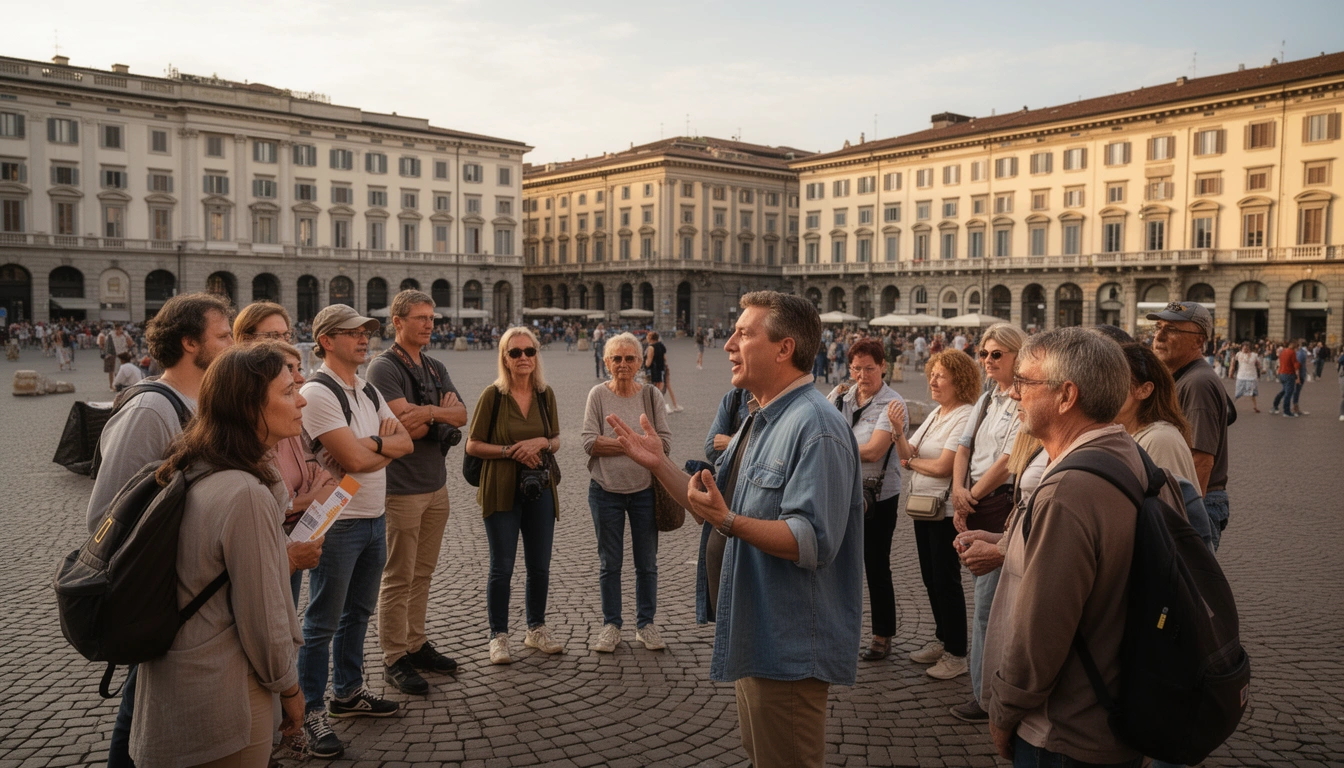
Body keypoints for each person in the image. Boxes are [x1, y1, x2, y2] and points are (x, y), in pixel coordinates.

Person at [608, 290, 863, 768]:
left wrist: (728, 521)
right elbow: (708, 505)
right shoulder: (757, 418)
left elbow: (809, 540)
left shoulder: (816, 427)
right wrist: (658, 463)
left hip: (788, 645)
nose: (728, 344)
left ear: (784, 348)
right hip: (754, 629)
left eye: (743, 334)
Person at [984, 327, 1182, 768]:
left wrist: (1004, 710)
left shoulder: (1067, 491)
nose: (1014, 394)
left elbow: (1041, 631)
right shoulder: (1138, 460)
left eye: (1025, 382)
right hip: (1120, 716)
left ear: (1066, 396)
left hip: (1064, 731)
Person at [130, 343, 306, 767]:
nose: (301, 399)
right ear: (248, 407)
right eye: (287, 392)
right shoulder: (244, 493)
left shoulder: (195, 464)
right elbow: (263, 615)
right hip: (226, 697)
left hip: (178, 685)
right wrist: (290, 689)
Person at [89, 292, 235, 768]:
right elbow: (108, 514)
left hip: (197, 586)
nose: (233, 344)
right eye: (223, 336)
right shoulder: (151, 410)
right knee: (142, 705)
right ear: (190, 343)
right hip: (164, 587)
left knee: (160, 702)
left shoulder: (206, 401)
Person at [298, 304, 413, 759]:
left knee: (359, 612)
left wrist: (373, 445)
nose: (365, 338)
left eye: (366, 331)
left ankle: (347, 692)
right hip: (338, 523)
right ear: (326, 340)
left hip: (374, 516)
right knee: (321, 622)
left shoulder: (366, 387)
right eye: (353, 332)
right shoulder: (317, 392)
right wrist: (380, 447)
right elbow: (354, 461)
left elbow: (405, 442)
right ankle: (309, 710)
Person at [366, 290, 468, 695]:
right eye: (421, 318)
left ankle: (416, 642)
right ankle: (394, 656)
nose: (429, 324)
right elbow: (400, 425)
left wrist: (425, 412)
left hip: (436, 485)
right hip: (402, 488)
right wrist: (436, 414)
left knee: (423, 572)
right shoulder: (383, 367)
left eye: (432, 318)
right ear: (398, 322)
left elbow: (460, 415)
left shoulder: (435, 365)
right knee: (398, 575)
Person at [465, 326, 565, 665]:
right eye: (515, 352)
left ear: (537, 355)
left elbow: (556, 439)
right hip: (501, 489)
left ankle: (536, 628)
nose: (524, 358)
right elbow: (473, 445)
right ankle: (498, 636)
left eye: (530, 351)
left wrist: (541, 443)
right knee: (502, 566)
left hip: (540, 489)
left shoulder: (545, 394)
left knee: (539, 566)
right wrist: (510, 450)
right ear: (505, 359)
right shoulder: (492, 396)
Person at [947, 323, 1025, 722]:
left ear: (1017, 356)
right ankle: (987, 688)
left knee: (987, 608)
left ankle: (985, 696)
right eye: (984, 354)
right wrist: (958, 490)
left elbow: (1009, 461)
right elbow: (963, 445)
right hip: (974, 499)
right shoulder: (987, 397)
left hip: (997, 503)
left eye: (997, 354)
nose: (988, 361)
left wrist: (970, 496)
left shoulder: (1022, 400)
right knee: (986, 600)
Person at [887, 349, 979, 680]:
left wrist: (913, 462)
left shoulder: (964, 415)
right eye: (932, 375)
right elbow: (906, 453)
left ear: (960, 380)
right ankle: (943, 638)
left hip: (945, 509)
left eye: (941, 376)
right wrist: (898, 430)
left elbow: (943, 467)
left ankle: (957, 654)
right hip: (923, 505)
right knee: (930, 577)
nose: (933, 381)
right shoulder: (937, 413)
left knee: (946, 580)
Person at [234, 302, 332, 606]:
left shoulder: (288, 417)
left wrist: (305, 498)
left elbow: (317, 472)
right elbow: (255, 502)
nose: (280, 343)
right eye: (271, 337)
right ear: (244, 340)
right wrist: (305, 500)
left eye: (285, 335)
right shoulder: (244, 424)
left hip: (294, 536)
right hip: (261, 549)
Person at [581, 332, 673, 653]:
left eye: (629, 358)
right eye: (616, 358)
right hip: (605, 490)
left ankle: (646, 624)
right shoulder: (597, 394)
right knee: (610, 563)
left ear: (639, 362)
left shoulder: (651, 395)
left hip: (645, 491)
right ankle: (611, 625)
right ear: (606, 362)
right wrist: (634, 445)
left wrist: (620, 443)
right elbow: (589, 442)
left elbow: (665, 443)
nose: (623, 364)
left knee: (647, 563)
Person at [827, 338, 905, 663]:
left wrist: (832, 446)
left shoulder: (893, 403)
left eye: (869, 369)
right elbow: (817, 425)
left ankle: (882, 635)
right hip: (842, 490)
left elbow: (874, 451)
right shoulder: (841, 395)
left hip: (878, 497)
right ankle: (837, 631)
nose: (862, 376)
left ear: (883, 366)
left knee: (876, 564)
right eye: (857, 369)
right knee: (836, 562)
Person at [1148, 301, 1231, 550]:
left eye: (1172, 329)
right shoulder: (1183, 377)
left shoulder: (1197, 383)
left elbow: (1201, 461)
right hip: (1190, 498)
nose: (1159, 336)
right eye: (1158, 327)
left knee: (1190, 572)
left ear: (1199, 341)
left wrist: (1184, 519)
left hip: (1197, 500)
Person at [645, 331, 682, 412]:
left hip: (655, 371)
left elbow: (648, 363)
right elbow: (665, 358)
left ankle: (662, 407)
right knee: (667, 386)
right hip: (663, 369)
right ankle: (675, 405)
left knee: (657, 390)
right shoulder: (661, 345)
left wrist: (643, 363)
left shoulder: (651, 347)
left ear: (650, 338)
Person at [1231, 341, 1262, 413]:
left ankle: (1255, 407)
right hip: (1241, 376)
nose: (1245, 349)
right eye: (1244, 348)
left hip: (1252, 376)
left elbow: (1258, 363)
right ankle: (1230, 406)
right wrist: (1231, 371)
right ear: (1241, 348)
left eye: (1247, 348)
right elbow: (1233, 362)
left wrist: (1261, 368)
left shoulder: (1254, 355)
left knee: (1253, 393)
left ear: (1249, 348)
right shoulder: (1239, 354)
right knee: (1238, 394)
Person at [1272, 339, 1301, 416]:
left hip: (1281, 373)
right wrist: (1299, 365)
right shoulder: (1292, 352)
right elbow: (1295, 364)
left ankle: (1275, 404)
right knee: (1288, 393)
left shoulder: (1283, 351)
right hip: (1289, 373)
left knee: (1284, 391)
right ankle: (1286, 411)